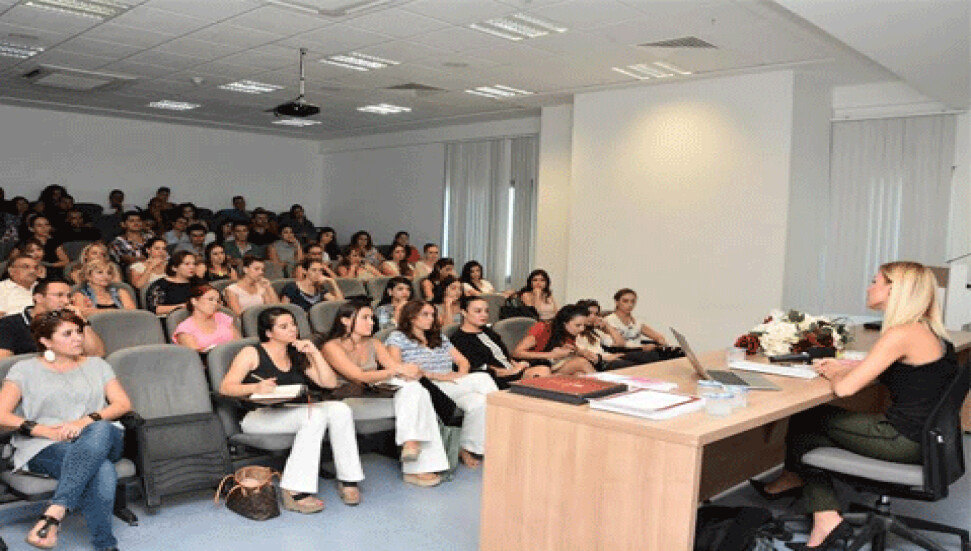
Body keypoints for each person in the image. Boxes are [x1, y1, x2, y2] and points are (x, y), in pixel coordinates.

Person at [751, 261, 957, 550]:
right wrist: (851, 365)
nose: (870, 287)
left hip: (901, 439)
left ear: (893, 290)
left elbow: (845, 390)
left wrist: (837, 372)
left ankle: (821, 513)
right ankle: (813, 504)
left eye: (876, 282)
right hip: (930, 440)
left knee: (806, 420)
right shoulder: (930, 332)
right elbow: (900, 371)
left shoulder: (900, 334)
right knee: (811, 433)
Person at [0, 310, 132, 550]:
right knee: (100, 469)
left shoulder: (97, 364)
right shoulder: (23, 369)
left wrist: (82, 423)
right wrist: (42, 430)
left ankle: (56, 509)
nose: (78, 338)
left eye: (79, 332)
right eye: (68, 333)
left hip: (102, 436)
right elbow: (1, 414)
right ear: (45, 341)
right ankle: (105, 544)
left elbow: (122, 404)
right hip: (47, 443)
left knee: (100, 428)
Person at [219, 307, 364, 510]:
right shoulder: (252, 352)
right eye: (284, 326)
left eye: (293, 324)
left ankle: (349, 479)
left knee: (340, 410)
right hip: (258, 417)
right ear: (269, 333)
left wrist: (314, 353)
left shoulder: (297, 353)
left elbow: (329, 383)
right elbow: (225, 387)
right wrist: (256, 387)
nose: (292, 329)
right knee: (316, 415)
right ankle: (294, 489)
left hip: (292, 412)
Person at [322, 300, 448, 487]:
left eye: (371, 319)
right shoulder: (331, 346)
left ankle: (411, 443)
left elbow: (393, 366)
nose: (371, 323)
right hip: (347, 403)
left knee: (416, 389)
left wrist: (409, 370)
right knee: (415, 390)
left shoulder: (374, 342)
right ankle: (417, 467)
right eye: (365, 318)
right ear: (345, 321)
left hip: (372, 398)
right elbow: (359, 376)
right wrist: (398, 370)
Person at [385, 300, 499, 468]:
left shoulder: (439, 337)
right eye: (425, 314)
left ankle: (465, 448)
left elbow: (463, 362)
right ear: (411, 317)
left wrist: (459, 375)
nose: (431, 318)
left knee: (479, 403)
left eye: (432, 314)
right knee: (482, 378)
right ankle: (505, 434)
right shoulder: (397, 337)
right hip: (426, 387)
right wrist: (438, 376)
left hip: (451, 385)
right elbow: (397, 368)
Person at [450, 295, 550, 389]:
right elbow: (483, 369)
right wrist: (513, 371)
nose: (484, 315)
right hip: (495, 379)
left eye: (486, 311)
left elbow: (504, 356)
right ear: (464, 312)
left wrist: (518, 365)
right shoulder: (459, 339)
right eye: (478, 311)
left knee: (545, 367)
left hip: (512, 371)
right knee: (542, 373)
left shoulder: (488, 331)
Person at [0, 277, 105, 358]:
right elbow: (4, 363)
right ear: (39, 298)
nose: (66, 301)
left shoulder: (70, 321)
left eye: (68, 296)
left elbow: (97, 354)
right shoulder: (8, 324)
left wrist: (82, 321)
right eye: (59, 295)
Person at [512, 304, 597, 375]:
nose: (582, 329)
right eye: (578, 325)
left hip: (550, 366)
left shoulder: (568, 333)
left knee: (579, 374)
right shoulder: (542, 328)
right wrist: (551, 355)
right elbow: (517, 353)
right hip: (531, 367)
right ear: (564, 323)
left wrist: (583, 352)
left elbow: (570, 348)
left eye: (584, 325)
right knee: (581, 363)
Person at [575, 299, 659, 370]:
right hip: (599, 362)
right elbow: (583, 354)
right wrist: (607, 358)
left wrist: (607, 326)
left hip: (608, 356)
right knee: (635, 367)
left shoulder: (595, 332)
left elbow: (620, 343)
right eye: (589, 313)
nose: (593, 317)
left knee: (652, 355)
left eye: (596, 314)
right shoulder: (576, 332)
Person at [173, 284, 241, 352]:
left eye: (217, 301)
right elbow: (196, 357)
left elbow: (239, 343)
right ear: (194, 301)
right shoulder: (185, 329)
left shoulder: (222, 317)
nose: (215, 304)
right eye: (210, 299)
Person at [72, 260, 137, 315]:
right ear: (88, 276)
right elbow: (82, 313)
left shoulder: (121, 291)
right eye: (100, 272)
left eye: (109, 273)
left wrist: (97, 311)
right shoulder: (80, 294)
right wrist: (116, 311)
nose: (106, 276)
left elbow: (132, 313)